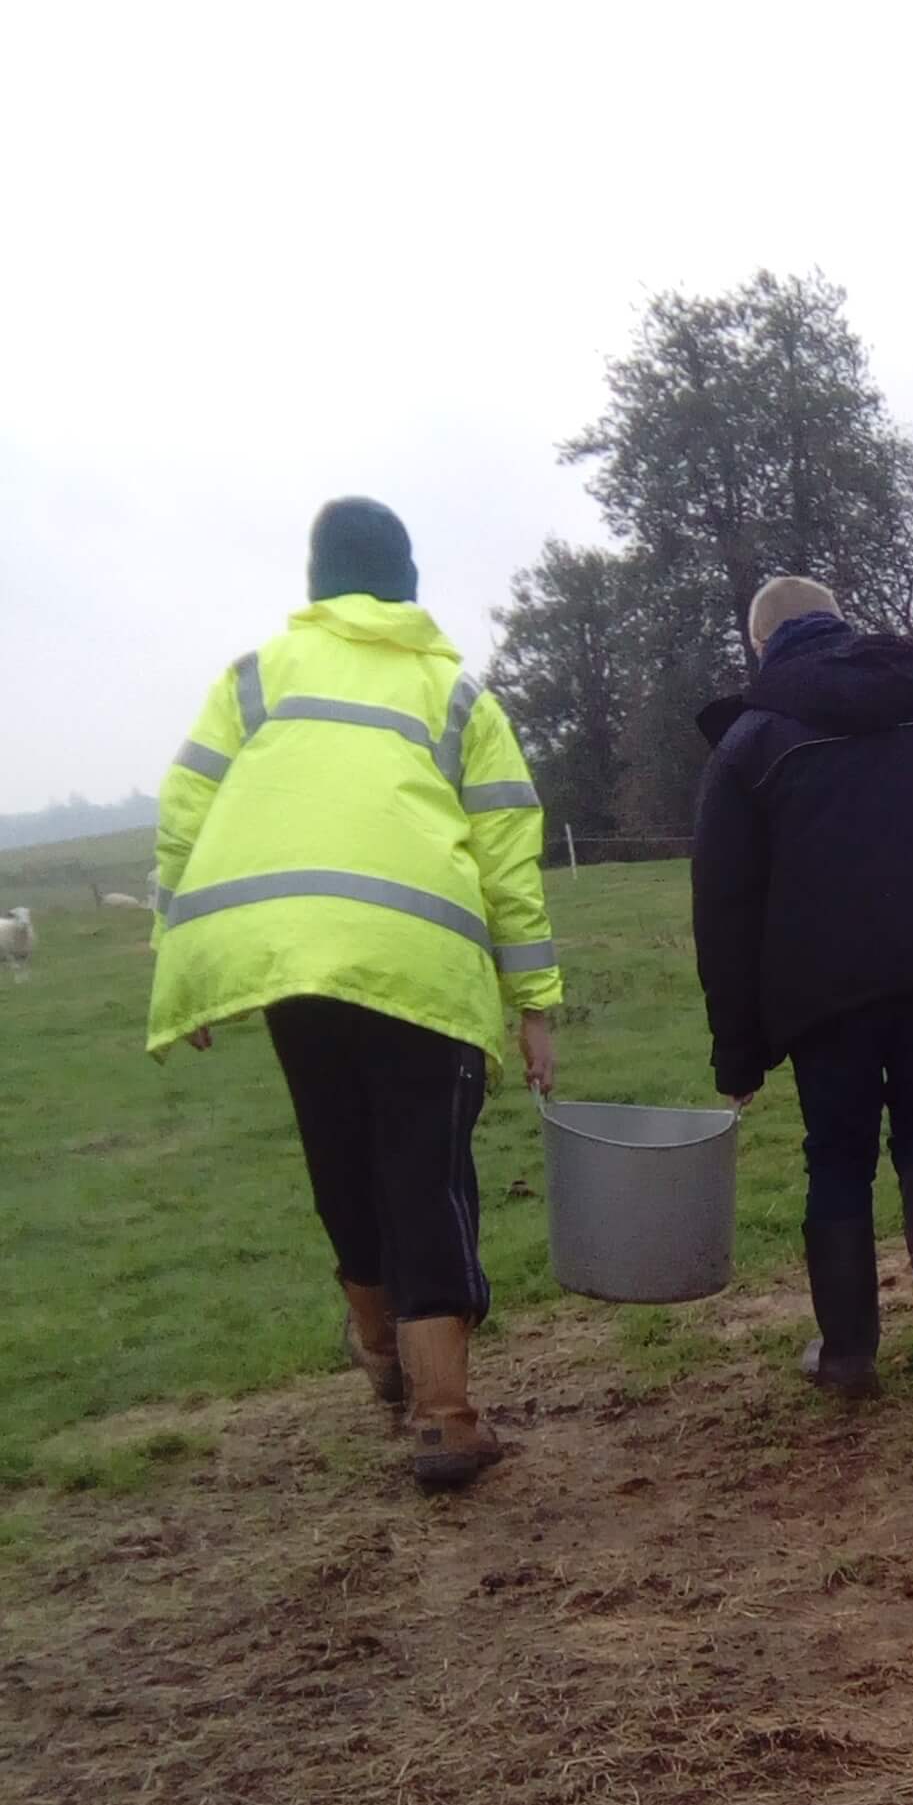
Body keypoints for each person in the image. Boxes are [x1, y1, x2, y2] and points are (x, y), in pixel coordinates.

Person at [147, 498, 561, 1490]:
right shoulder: (455, 695)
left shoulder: (254, 680)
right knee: (424, 1175)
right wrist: (535, 1002)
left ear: (316, 581)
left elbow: (185, 817)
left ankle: (380, 1349)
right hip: (417, 964)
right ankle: (446, 1418)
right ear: (408, 579)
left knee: (340, 1154)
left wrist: (190, 960)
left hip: (292, 964)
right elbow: (509, 858)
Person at [691, 576, 913, 1397]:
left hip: (823, 988)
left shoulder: (748, 741)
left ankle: (848, 1353)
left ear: (760, 643)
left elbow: (724, 910)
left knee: (837, 1155)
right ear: (840, 621)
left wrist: (737, 1053)